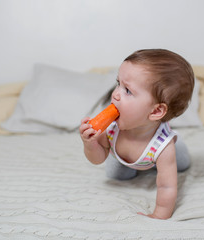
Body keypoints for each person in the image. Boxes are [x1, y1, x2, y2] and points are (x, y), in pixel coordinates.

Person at [79, 49, 194, 219]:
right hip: (123, 157)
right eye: (118, 83)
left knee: (182, 164)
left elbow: (167, 187)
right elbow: (97, 159)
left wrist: (160, 215)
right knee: (116, 176)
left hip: (153, 151)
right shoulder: (112, 126)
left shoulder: (163, 147)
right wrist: (90, 144)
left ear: (156, 111)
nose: (116, 94)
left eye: (128, 91)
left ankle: (178, 145)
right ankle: (130, 165)